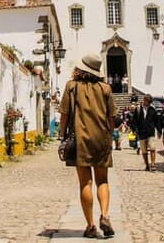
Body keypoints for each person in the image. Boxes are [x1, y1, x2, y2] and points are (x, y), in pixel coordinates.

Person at [59, 53, 117, 239]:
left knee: (85, 182)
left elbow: (64, 115)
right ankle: (105, 216)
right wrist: (110, 134)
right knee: (103, 180)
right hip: (101, 138)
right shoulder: (105, 88)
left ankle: (91, 225)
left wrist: (62, 134)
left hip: (80, 139)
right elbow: (112, 118)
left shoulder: (71, 87)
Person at [132, 94, 160, 171]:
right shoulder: (138, 109)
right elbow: (134, 120)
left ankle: (153, 164)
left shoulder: (152, 109)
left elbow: (156, 120)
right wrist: (134, 129)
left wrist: (159, 130)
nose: (147, 103)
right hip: (141, 132)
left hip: (150, 131)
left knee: (152, 148)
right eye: (146, 101)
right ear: (144, 100)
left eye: (149, 101)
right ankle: (147, 165)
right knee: (144, 150)